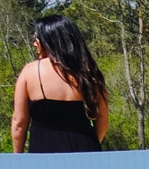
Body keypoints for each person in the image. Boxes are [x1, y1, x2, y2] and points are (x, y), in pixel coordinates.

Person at [12, 15, 108, 154]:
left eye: (37, 38)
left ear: (49, 40)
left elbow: (19, 123)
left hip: (44, 155)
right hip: (86, 153)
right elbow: (103, 124)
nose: (34, 44)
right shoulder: (89, 74)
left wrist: (18, 158)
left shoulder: (30, 71)